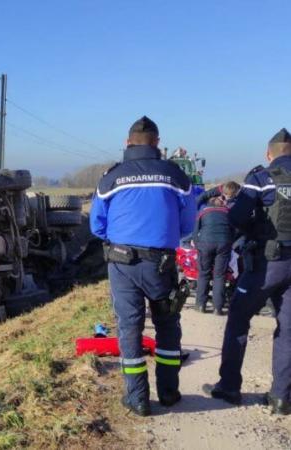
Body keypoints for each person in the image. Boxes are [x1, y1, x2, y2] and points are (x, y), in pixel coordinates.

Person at [90, 116, 196, 416]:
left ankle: (137, 399)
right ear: (157, 143)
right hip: (160, 265)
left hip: (122, 265)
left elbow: (97, 226)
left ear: (127, 143)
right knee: (167, 326)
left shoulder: (111, 178)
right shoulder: (176, 176)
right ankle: (169, 393)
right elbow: (188, 225)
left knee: (129, 328)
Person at [203, 128, 291, 415]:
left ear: (269, 154)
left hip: (266, 263)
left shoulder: (261, 178)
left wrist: (255, 233)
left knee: (239, 318)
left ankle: (229, 386)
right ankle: (281, 397)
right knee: (289, 329)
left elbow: (238, 216)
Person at [192, 196, 234, 315]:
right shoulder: (228, 212)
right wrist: (229, 242)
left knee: (203, 274)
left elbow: (195, 231)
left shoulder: (203, 212)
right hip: (223, 244)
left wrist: (197, 245)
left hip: (205, 244)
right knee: (219, 276)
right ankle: (218, 308)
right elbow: (233, 230)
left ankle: (201, 305)